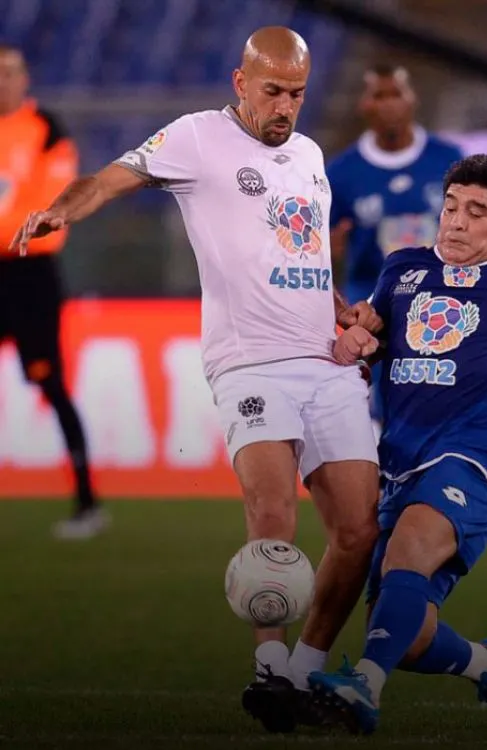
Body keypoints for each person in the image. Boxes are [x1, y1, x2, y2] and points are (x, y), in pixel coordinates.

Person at [11, 27, 382, 734]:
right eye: (272, 90)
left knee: (359, 529)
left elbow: (306, 258)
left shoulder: (308, 156)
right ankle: (269, 671)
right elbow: (114, 177)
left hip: (324, 361)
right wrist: (65, 208)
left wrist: (345, 316)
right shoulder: (197, 138)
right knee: (273, 512)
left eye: (297, 94)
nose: (285, 106)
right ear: (241, 84)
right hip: (249, 360)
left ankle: (305, 670)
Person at [309, 155, 487, 734]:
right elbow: (374, 335)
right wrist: (359, 337)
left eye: (476, 212)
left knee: (411, 546)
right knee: (405, 634)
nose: (456, 223)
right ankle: (484, 663)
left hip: (484, 452)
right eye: (452, 208)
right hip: (404, 454)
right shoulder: (402, 269)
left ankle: (364, 686)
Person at [0, 44, 106, 539]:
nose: (3, 81)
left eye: (10, 73)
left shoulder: (46, 130)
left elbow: (46, 214)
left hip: (29, 275)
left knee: (50, 383)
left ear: (26, 79)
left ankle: (87, 502)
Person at [326, 64, 463, 432]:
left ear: (412, 99)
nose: (388, 104)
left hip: (442, 301)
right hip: (372, 303)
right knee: (374, 406)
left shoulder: (448, 159)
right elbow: (323, 244)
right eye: (378, 95)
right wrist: (333, 248)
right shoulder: (341, 173)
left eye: (395, 94)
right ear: (364, 104)